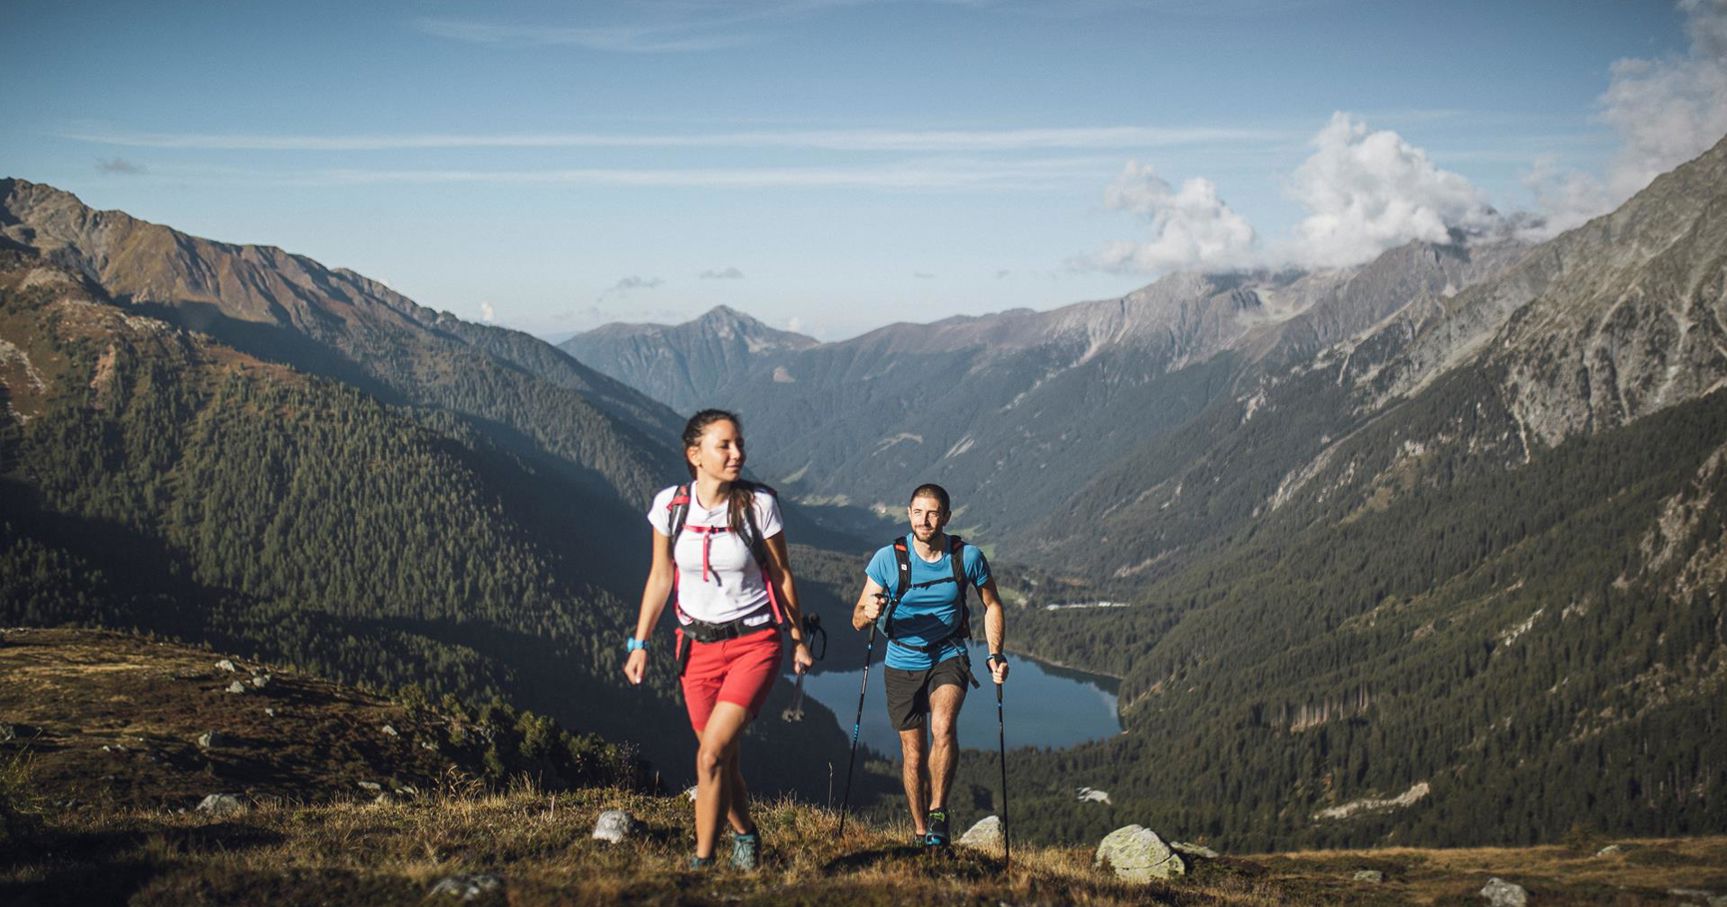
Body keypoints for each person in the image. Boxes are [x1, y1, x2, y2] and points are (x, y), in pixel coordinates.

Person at [624, 409, 816, 870]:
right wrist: (640, 643)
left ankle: (702, 864)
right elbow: (659, 577)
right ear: (695, 455)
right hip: (696, 650)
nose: (738, 454)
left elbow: (781, 574)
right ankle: (746, 833)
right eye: (724, 446)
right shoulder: (669, 507)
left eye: (739, 444)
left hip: (754, 644)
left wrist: (797, 638)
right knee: (723, 762)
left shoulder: (758, 505)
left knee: (709, 755)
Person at [852, 483, 1009, 849]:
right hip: (901, 658)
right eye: (918, 512)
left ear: (947, 517)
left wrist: (994, 654)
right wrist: (868, 612)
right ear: (908, 514)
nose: (925, 520)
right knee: (913, 753)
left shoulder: (966, 557)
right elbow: (856, 618)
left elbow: (993, 604)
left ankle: (938, 812)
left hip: (948, 653)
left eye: (933, 512)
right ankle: (921, 831)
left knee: (943, 727)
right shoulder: (887, 559)